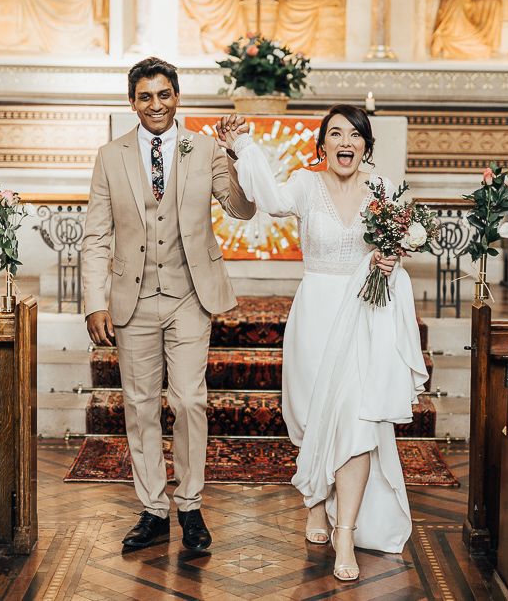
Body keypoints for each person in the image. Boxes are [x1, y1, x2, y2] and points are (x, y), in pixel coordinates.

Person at [216, 105, 429, 581]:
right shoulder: (305, 184)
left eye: (355, 134)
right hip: (315, 314)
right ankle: (315, 499)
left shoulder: (384, 192)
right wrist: (245, 147)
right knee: (313, 418)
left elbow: (401, 243)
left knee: (357, 421)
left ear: (366, 147)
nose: (345, 142)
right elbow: (267, 198)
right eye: (336, 134)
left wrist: (392, 258)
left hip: (365, 317)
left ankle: (346, 531)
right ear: (323, 146)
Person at [81, 57, 256, 552]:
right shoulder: (109, 156)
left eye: (164, 95)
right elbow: (96, 237)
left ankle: (192, 505)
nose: (155, 105)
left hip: (188, 296)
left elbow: (242, 208)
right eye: (145, 97)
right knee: (138, 407)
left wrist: (236, 155)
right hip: (132, 298)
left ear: (177, 96)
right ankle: (154, 508)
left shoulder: (204, 148)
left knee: (188, 400)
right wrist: (95, 302)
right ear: (131, 101)